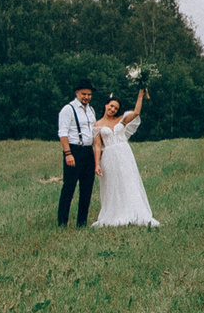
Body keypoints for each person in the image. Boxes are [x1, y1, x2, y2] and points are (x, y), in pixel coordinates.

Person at [92, 91, 160, 228]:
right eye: (111, 106)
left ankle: (134, 211)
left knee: (129, 181)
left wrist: (140, 94)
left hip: (124, 154)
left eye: (116, 108)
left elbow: (136, 113)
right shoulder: (97, 125)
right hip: (109, 157)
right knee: (113, 184)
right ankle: (115, 213)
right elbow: (97, 146)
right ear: (106, 105)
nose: (112, 110)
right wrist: (97, 164)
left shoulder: (121, 119)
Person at [56, 84, 97, 227]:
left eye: (89, 94)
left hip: (88, 152)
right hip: (74, 150)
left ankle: (82, 223)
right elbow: (63, 133)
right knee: (69, 187)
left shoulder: (91, 110)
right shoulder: (68, 109)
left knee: (87, 188)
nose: (86, 97)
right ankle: (62, 223)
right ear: (77, 93)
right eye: (84, 94)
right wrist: (68, 153)